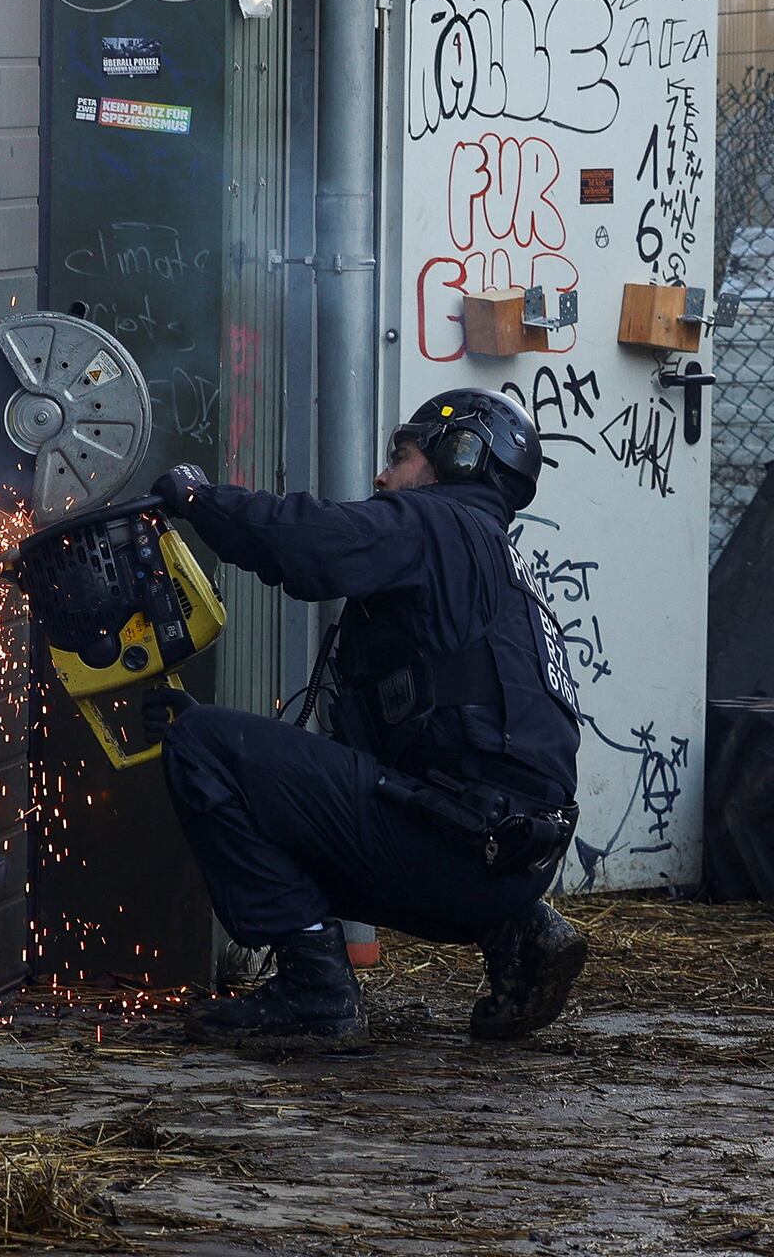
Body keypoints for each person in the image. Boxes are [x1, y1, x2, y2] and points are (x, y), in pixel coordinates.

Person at [142, 388, 587, 1054]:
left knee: (204, 745)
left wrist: (200, 500)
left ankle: (315, 991)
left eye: (400, 457)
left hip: (456, 852)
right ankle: (518, 932)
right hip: (510, 864)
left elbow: (311, 542)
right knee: (234, 753)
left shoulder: (436, 524)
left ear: (457, 456)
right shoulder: (494, 560)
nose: (382, 477)